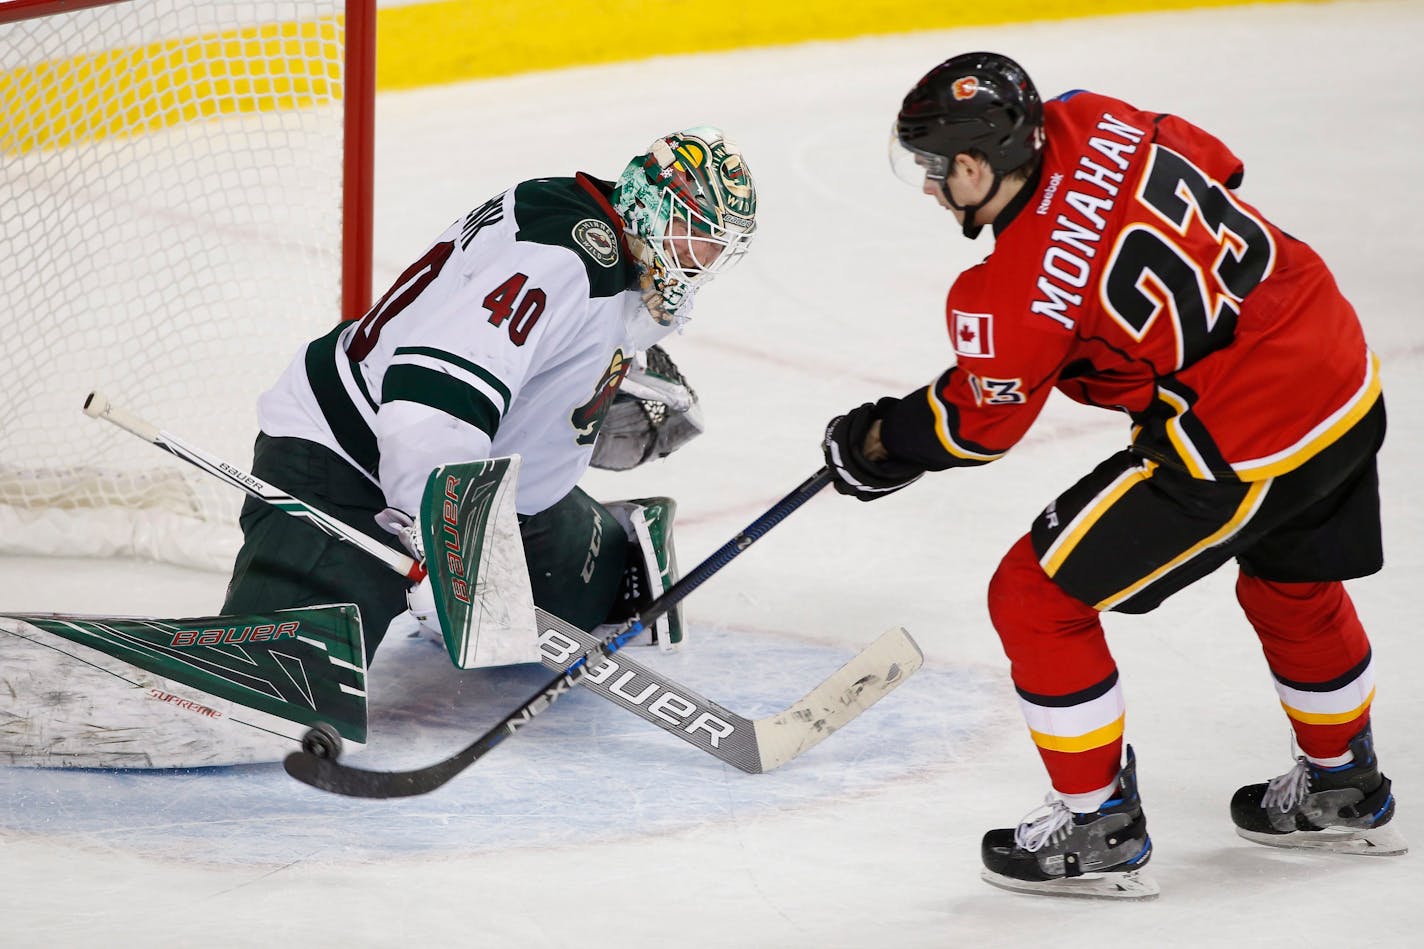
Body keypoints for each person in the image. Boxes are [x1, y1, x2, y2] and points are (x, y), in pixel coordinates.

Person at [821, 52, 1404, 899]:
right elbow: (1220, 168)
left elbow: (978, 428)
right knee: (1290, 586)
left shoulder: (1009, 292)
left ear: (979, 167)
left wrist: (879, 443)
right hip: (1338, 365)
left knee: (1035, 597)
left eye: (936, 170)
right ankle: (1341, 781)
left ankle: (1097, 824)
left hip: (1241, 433)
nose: (929, 187)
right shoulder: (1094, 114)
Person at [223, 126, 757, 664]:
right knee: (277, 670)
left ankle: (605, 540)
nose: (705, 258)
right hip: (348, 461)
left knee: (599, 588)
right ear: (652, 201)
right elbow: (431, 406)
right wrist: (449, 553)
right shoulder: (565, 261)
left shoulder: (618, 246)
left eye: (719, 246)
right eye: (699, 231)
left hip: (482, 488)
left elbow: (556, 345)